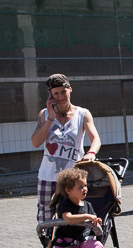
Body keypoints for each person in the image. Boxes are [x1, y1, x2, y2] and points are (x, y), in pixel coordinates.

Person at [31, 74, 102, 224]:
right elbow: (36, 142)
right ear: (50, 94)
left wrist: (91, 153)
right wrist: (50, 118)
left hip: (73, 177)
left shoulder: (82, 114)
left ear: (70, 89)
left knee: (74, 213)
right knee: (45, 216)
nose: (61, 97)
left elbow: (95, 138)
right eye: (56, 93)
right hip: (48, 176)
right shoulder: (44, 115)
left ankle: (73, 243)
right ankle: (48, 246)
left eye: (64, 92)